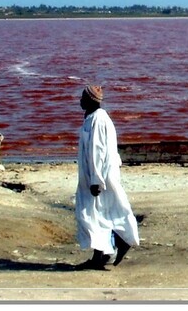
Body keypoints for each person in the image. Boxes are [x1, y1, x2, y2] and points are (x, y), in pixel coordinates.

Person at [75, 84, 139, 270]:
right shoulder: (92, 118)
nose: (80, 101)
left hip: (99, 176)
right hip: (95, 175)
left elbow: (97, 151)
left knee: (92, 214)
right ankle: (107, 249)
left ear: (90, 101)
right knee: (101, 213)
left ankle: (110, 248)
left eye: (82, 98)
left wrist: (96, 180)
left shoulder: (99, 120)